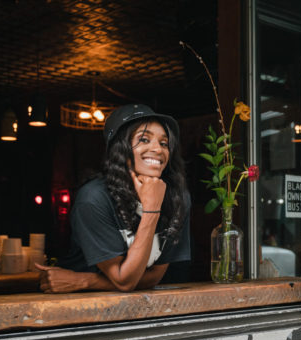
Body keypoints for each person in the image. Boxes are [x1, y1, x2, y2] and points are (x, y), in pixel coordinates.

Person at [37, 104, 191, 292]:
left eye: (164, 143)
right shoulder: (94, 198)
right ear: (121, 149)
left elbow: (153, 277)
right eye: (144, 139)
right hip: (78, 305)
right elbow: (124, 281)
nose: (158, 149)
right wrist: (152, 210)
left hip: (131, 304)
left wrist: (84, 281)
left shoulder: (176, 198)